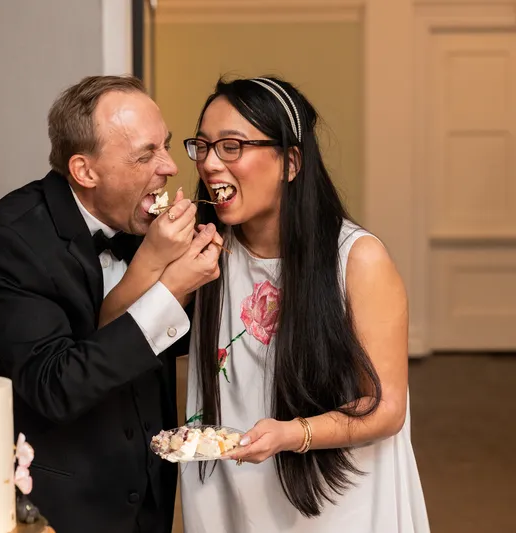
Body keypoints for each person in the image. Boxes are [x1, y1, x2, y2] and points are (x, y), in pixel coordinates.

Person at [0, 75, 223, 533]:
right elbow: (55, 385)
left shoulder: (145, 224)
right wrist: (169, 287)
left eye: (165, 146)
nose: (168, 167)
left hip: (153, 500)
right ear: (85, 171)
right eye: (145, 155)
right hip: (61, 509)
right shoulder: (10, 240)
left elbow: (178, 345)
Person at [176, 77, 431, 532]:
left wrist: (293, 434)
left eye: (232, 146)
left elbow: (387, 407)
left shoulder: (357, 259)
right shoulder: (204, 252)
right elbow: (118, 328)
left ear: (290, 162)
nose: (211, 164)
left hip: (336, 497)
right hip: (233, 492)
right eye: (203, 146)